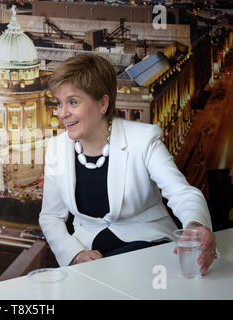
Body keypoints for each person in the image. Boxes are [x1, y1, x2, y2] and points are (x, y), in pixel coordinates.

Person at [39, 54, 217, 276]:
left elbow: (183, 194)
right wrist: (74, 254)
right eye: (59, 102)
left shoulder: (143, 139)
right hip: (92, 257)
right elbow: (51, 216)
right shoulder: (56, 148)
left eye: (73, 102)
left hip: (148, 250)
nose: (62, 113)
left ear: (103, 103)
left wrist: (195, 228)